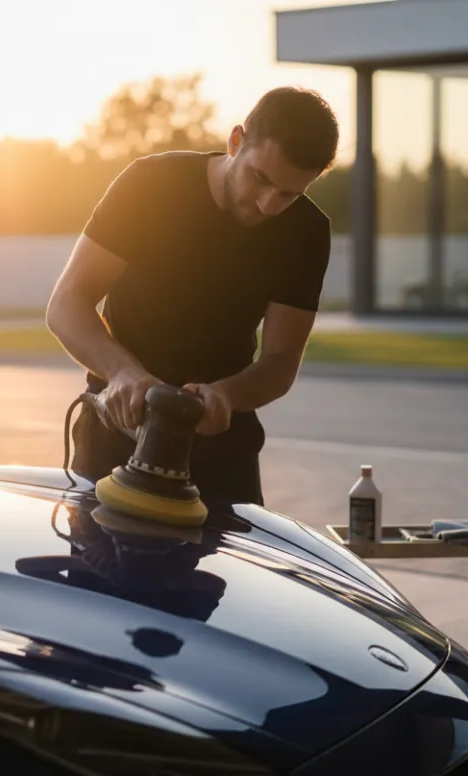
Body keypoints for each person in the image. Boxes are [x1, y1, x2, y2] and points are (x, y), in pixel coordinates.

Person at [46, 86, 339, 508]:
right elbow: (67, 304)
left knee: (231, 575)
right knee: (103, 571)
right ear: (236, 140)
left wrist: (226, 396)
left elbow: (279, 363)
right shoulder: (151, 184)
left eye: (289, 195)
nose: (268, 204)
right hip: (116, 432)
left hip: (221, 447)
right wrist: (123, 373)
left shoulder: (308, 233)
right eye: (260, 178)